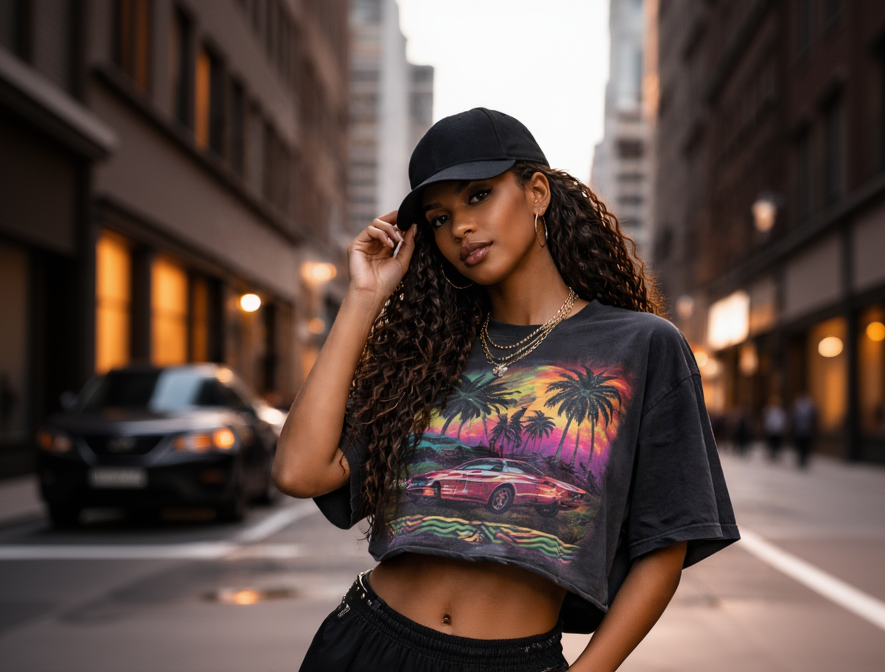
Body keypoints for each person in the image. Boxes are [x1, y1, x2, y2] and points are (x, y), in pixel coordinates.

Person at [273, 108, 739, 672]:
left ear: (537, 191)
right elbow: (299, 472)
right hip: (368, 644)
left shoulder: (641, 346)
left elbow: (664, 545)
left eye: (478, 196)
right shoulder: (425, 351)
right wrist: (363, 298)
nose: (460, 228)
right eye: (440, 218)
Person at [791, 391, 817, 469]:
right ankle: (801, 458)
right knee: (800, 445)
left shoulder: (810, 406)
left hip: (807, 430)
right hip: (799, 430)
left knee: (806, 445)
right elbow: (793, 418)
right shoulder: (797, 406)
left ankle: (804, 458)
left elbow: (813, 418)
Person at [762, 396, 786, 462]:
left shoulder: (781, 411)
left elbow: (782, 420)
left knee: (777, 442)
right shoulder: (767, 410)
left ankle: (775, 453)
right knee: (770, 442)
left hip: (778, 429)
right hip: (770, 429)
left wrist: (783, 427)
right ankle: (771, 453)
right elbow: (765, 419)